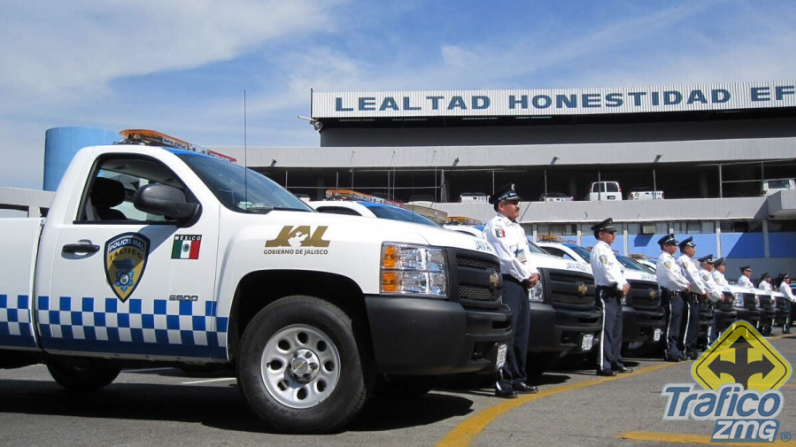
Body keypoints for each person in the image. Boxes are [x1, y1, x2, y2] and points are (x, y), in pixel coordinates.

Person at [484, 183, 540, 399]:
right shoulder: (496, 226)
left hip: (522, 283)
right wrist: (526, 275)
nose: (518, 206)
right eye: (513, 202)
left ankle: (518, 377)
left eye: (518, 202)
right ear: (501, 205)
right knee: (507, 333)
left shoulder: (517, 228)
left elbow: (525, 255)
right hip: (508, 282)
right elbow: (506, 257)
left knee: (521, 334)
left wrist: (533, 273)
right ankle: (503, 381)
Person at [589, 218, 632, 376]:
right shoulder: (600, 249)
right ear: (601, 234)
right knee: (606, 330)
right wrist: (621, 285)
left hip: (615, 294)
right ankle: (603, 365)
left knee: (616, 330)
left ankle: (616, 361)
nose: (613, 235)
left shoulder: (608, 251)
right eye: (610, 232)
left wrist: (625, 284)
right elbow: (606, 272)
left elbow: (619, 271)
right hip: (607, 292)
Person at [656, 234, 691, 362]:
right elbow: (671, 277)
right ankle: (669, 351)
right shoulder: (664, 258)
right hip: (670, 294)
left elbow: (679, 276)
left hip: (678, 294)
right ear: (665, 246)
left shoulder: (672, 260)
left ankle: (675, 350)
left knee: (677, 324)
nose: (675, 247)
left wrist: (686, 283)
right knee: (671, 324)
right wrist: (684, 285)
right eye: (672, 244)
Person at [677, 237, 707, 360]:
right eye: (692, 247)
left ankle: (692, 348)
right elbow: (692, 278)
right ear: (686, 249)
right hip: (689, 295)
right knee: (689, 324)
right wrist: (703, 291)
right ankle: (686, 349)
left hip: (695, 295)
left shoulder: (690, 261)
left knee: (694, 324)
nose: (694, 250)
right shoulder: (683, 260)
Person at [697, 255, 724, 345]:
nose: (712, 265)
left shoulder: (708, 274)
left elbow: (715, 287)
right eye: (710, 263)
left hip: (710, 301)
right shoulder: (703, 274)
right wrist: (719, 296)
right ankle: (708, 343)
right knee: (707, 323)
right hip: (705, 302)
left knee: (711, 323)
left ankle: (709, 342)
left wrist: (719, 294)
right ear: (704, 264)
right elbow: (710, 288)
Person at [711, 257, 731, 343]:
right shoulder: (716, 275)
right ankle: (715, 340)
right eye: (723, 265)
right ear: (719, 266)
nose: (725, 267)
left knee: (724, 321)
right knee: (718, 321)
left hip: (725, 302)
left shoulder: (721, 276)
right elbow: (719, 286)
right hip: (720, 301)